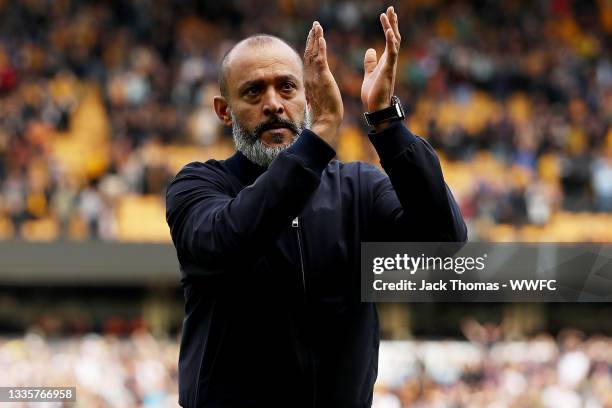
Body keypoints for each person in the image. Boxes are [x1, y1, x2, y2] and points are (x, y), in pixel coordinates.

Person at [166, 7, 466, 407]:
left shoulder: (357, 188)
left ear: (306, 97)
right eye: (254, 91)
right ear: (224, 110)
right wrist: (320, 134)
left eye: (287, 88)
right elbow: (227, 240)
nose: (274, 104)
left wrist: (386, 124)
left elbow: (444, 241)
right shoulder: (198, 186)